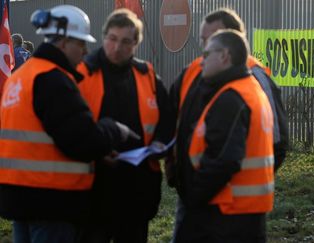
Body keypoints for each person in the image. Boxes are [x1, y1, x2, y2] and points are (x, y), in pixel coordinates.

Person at [0, 5, 138, 243]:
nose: (85, 51)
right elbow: (83, 140)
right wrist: (113, 129)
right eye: (81, 43)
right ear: (63, 42)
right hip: (51, 203)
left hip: (20, 200)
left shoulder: (21, 77)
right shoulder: (53, 80)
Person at [168, 8, 288, 242]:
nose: (203, 52)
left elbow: (231, 158)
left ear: (227, 50)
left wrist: (197, 193)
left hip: (223, 209)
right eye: (203, 41)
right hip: (216, 204)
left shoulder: (239, 91)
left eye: (210, 44)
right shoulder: (206, 75)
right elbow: (174, 119)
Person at [76, 8, 174, 243]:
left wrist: (161, 141)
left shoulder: (147, 75)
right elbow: (72, 126)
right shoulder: (82, 73)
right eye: (112, 39)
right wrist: (98, 152)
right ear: (103, 37)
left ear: (136, 44)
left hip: (137, 186)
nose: (117, 47)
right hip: (94, 185)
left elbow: (168, 117)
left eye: (126, 42)